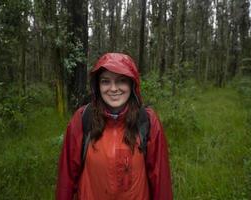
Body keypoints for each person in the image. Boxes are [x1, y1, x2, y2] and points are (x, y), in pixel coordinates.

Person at [56, 53, 173, 200]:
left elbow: (160, 181)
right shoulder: (82, 119)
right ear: (97, 86)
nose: (113, 88)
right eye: (105, 81)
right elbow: (66, 179)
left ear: (132, 84)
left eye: (121, 81)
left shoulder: (147, 121)